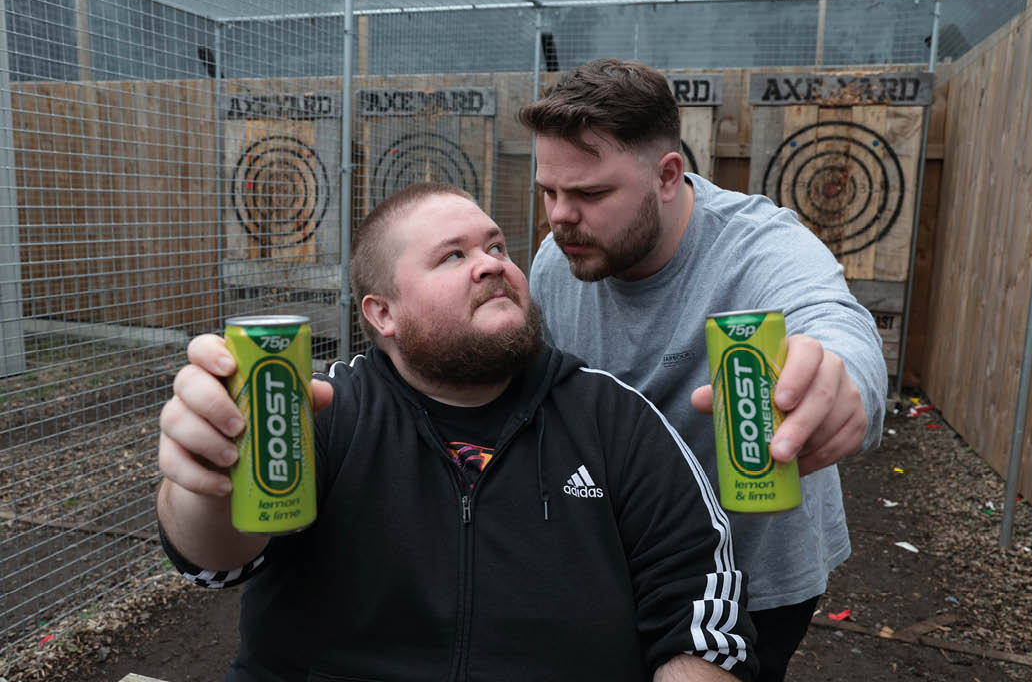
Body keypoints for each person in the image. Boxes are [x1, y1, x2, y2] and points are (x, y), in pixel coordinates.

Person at [156, 182, 760, 681]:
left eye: (496, 247)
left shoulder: (614, 419)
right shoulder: (321, 412)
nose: (491, 264)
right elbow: (215, 562)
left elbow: (704, 627)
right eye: (454, 256)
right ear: (382, 314)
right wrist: (205, 478)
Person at [518, 58, 888, 682]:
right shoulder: (559, 261)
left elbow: (832, 322)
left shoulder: (759, 247)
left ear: (668, 176)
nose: (559, 217)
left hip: (755, 575)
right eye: (549, 192)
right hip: (622, 559)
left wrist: (844, 384)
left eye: (590, 193)